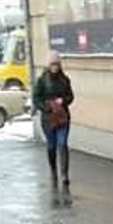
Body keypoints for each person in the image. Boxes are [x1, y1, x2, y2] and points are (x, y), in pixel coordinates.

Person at [32, 51, 75, 187]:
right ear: (48, 65)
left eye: (57, 64)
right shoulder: (42, 80)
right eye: (52, 64)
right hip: (48, 119)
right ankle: (53, 170)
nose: (55, 67)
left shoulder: (65, 79)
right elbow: (36, 98)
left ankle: (64, 174)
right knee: (52, 145)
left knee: (62, 144)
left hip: (63, 117)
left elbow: (71, 96)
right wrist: (46, 108)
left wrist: (63, 101)